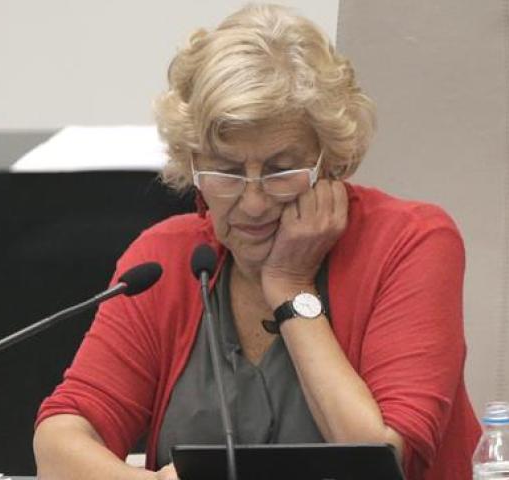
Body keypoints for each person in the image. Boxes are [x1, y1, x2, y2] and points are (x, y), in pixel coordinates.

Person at [33, 4, 480, 479]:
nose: (251, 203)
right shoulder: (167, 259)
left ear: (330, 161)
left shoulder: (410, 243)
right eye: (225, 172)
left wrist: (290, 287)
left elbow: (381, 460)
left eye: (280, 170)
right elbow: (61, 440)